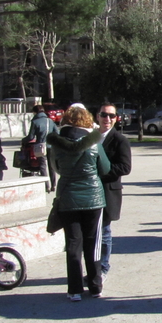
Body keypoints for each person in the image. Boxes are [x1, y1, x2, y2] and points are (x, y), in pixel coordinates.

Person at [47, 106, 110, 301]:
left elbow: (56, 168)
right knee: (93, 243)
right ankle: (95, 285)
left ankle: (74, 290)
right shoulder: (94, 142)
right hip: (93, 198)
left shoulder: (57, 144)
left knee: (73, 243)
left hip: (67, 198)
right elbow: (105, 168)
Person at [97, 103, 132, 286]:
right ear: (98, 116)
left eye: (111, 116)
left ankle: (103, 268)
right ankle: (92, 268)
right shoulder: (91, 138)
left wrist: (101, 171)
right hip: (90, 191)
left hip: (109, 191)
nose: (107, 119)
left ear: (116, 118)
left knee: (104, 231)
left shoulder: (120, 140)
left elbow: (125, 167)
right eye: (104, 115)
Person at [22, 104, 59, 192]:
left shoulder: (35, 122)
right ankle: (54, 185)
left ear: (35, 112)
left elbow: (31, 137)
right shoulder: (50, 121)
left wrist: (23, 140)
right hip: (51, 146)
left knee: (42, 166)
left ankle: (47, 186)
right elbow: (57, 133)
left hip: (40, 146)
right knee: (51, 166)